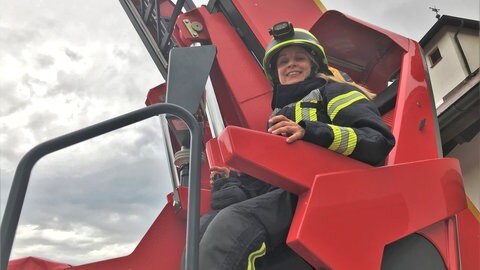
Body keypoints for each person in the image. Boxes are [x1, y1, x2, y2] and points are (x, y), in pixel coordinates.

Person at [183, 22, 396, 270]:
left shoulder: (336, 93)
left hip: (330, 192)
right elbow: (268, 186)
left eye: (299, 58)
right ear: (276, 74)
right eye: (283, 61)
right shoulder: (276, 117)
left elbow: (378, 141)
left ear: (314, 65)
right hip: (292, 196)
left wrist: (310, 132)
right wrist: (232, 184)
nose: (291, 64)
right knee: (202, 227)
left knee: (233, 224)